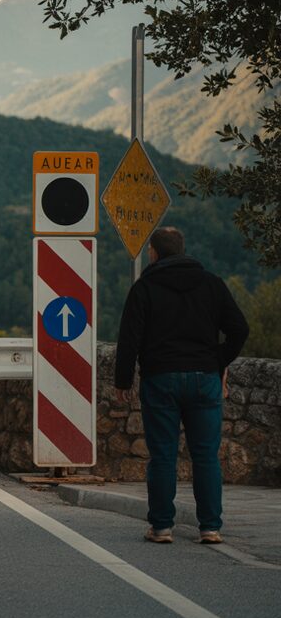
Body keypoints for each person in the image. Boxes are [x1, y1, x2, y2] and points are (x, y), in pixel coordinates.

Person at [114, 226, 249, 544]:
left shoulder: (144, 287)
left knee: (162, 455)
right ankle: (210, 527)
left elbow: (129, 339)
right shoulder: (212, 284)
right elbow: (239, 329)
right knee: (206, 455)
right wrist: (217, 361)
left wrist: (123, 380)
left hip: (160, 379)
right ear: (183, 248)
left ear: (154, 253)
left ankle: (161, 527)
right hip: (204, 379)